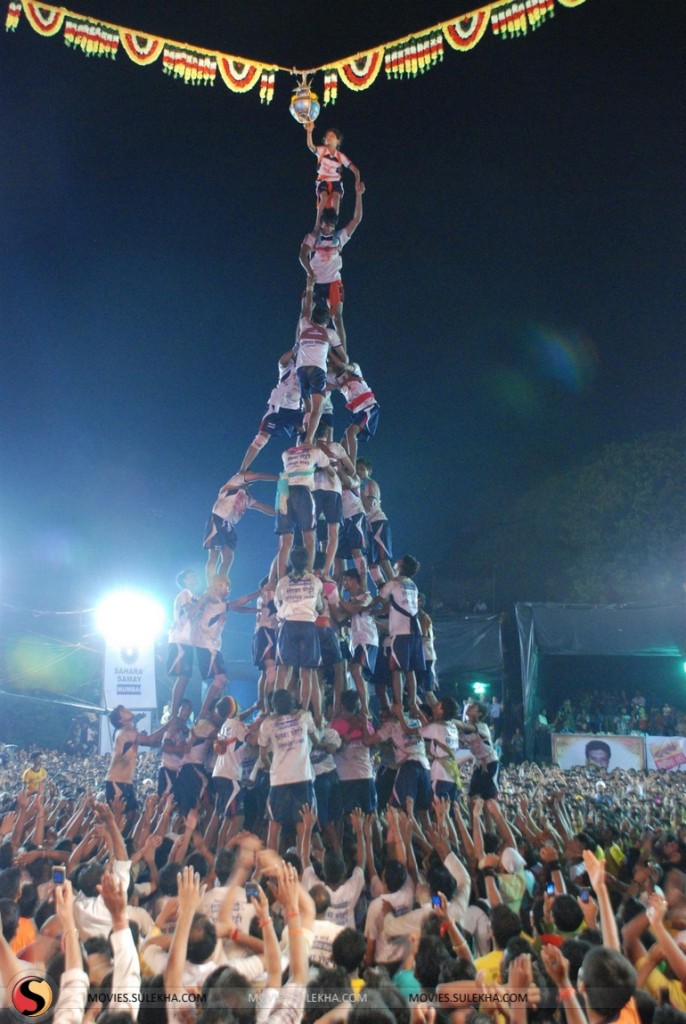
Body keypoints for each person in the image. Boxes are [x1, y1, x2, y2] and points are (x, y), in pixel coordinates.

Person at [299, 181, 364, 348]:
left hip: (333, 281)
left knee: (337, 317)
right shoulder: (313, 237)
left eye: (331, 225)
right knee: (305, 314)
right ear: (321, 223)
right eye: (326, 224)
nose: (328, 228)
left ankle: (343, 355)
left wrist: (358, 195)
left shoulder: (339, 237)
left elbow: (356, 220)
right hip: (316, 281)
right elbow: (302, 255)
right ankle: (298, 347)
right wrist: (309, 272)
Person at [258, 688, 319, 850]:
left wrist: (274, 769)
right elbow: (317, 740)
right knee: (303, 826)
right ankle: (304, 867)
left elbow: (263, 756)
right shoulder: (304, 716)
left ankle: (273, 874)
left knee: (275, 827)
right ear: (292, 702)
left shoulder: (267, 724)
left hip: (279, 780)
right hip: (302, 778)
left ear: (273, 706)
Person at [295, 279, 348, 445]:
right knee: (318, 408)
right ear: (326, 321)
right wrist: (335, 357)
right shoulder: (329, 333)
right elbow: (344, 357)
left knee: (307, 407)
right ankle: (308, 440)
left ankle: (303, 437)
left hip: (301, 369)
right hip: (317, 370)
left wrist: (310, 286)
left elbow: (305, 310)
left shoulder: (304, 324)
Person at [274, 545, 324, 712]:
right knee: (306, 671)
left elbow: (278, 605)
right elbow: (320, 606)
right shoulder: (316, 582)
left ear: (291, 562)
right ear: (307, 562)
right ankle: (303, 710)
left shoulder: (282, 582)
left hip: (289, 625)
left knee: (283, 668)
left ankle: (277, 708)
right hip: (308, 625)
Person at [202, 471, 277, 583]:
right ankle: (210, 586)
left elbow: (262, 506)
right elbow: (257, 476)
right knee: (214, 556)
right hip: (218, 519)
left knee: (228, 558)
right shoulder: (234, 482)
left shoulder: (246, 497)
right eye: (249, 473)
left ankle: (220, 584)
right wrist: (278, 478)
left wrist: (280, 513)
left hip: (229, 525)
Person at [372, 555, 425, 710]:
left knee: (396, 670)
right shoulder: (412, 585)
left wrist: (366, 609)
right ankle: (414, 702)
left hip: (400, 631)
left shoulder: (394, 582)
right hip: (414, 630)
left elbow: (380, 597)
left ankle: (398, 703)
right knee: (410, 670)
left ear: (401, 565)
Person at [238, 350, 303, 473]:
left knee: (306, 433)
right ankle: (242, 470)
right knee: (261, 438)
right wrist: (295, 349)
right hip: (278, 406)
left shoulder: (306, 369)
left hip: (294, 409)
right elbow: (282, 361)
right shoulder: (288, 365)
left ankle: (304, 463)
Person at [277, 442, 334, 576]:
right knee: (309, 537)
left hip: (283, 492)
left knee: (286, 542)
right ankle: (307, 576)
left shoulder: (286, 454)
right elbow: (331, 472)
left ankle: (281, 580)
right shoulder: (316, 452)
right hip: (303, 491)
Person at [105, 707, 167, 817]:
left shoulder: (130, 732)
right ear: (120, 720)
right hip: (116, 781)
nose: (127, 710)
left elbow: (152, 743)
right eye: (123, 711)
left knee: (133, 817)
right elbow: (149, 740)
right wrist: (169, 724)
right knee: (122, 819)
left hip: (125, 782)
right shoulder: (124, 732)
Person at [304, 124, 361, 215]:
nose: (329, 137)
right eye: (327, 136)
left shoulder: (340, 156)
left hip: (335, 181)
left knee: (336, 198)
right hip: (323, 180)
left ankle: (333, 223)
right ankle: (317, 225)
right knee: (324, 197)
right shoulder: (322, 150)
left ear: (337, 141)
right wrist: (309, 132)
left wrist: (357, 181)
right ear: (325, 140)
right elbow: (311, 146)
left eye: (332, 136)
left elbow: (356, 170)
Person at [355, 458, 394, 586]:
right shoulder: (354, 485)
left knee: (383, 560)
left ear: (369, 471)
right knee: (372, 565)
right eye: (357, 468)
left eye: (361, 468)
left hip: (378, 523)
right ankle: (383, 594)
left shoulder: (370, 484)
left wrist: (359, 490)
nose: (358, 470)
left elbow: (368, 506)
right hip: (367, 527)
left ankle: (396, 592)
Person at [167, 568, 200, 718]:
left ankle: (175, 712)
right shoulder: (185, 593)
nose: (195, 578)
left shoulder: (193, 596)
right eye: (191, 576)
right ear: (185, 580)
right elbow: (190, 613)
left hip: (187, 641)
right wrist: (204, 599)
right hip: (179, 639)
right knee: (183, 677)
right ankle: (173, 714)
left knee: (185, 678)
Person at [333, 363, 379, 466]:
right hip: (357, 411)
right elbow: (327, 386)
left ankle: (352, 465)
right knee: (343, 443)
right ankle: (344, 467)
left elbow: (344, 366)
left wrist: (331, 353)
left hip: (368, 407)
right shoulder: (335, 378)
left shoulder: (355, 370)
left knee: (350, 432)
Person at [455, 701, 500, 800]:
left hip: (490, 762)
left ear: (479, 713)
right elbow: (458, 744)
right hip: (479, 764)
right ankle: (474, 816)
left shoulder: (482, 726)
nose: (469, 706)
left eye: (473, 707)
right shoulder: (463, 731)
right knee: (472, 798)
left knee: (488, 799)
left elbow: (465, 726)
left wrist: (447, 718)